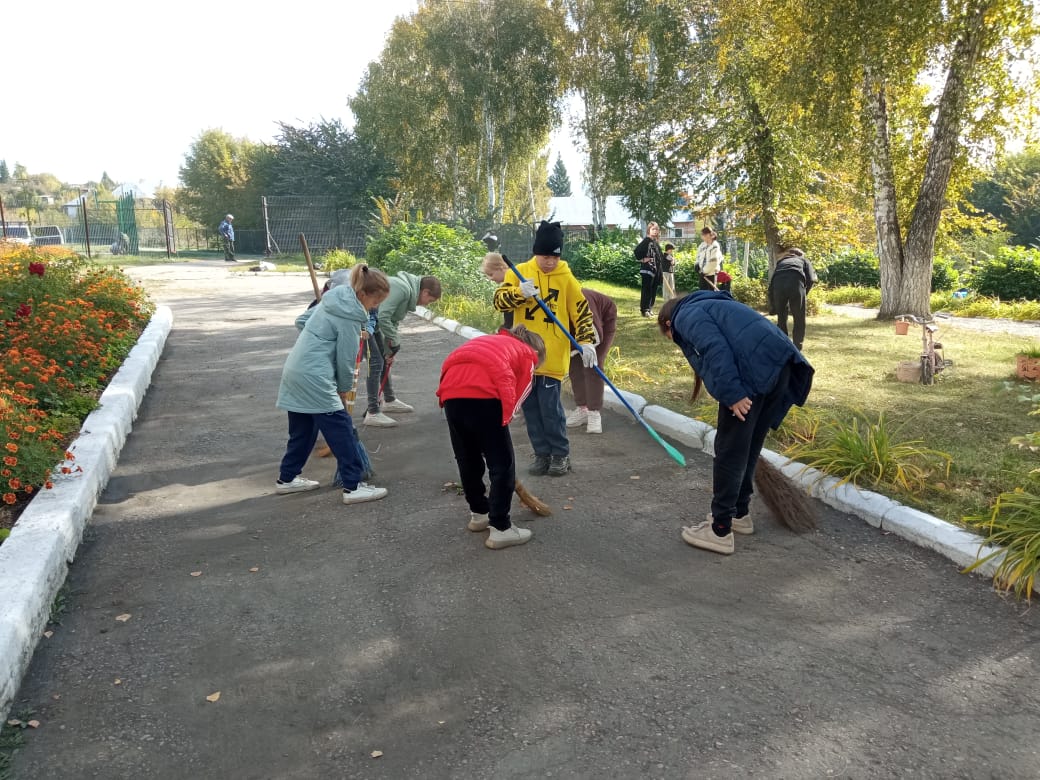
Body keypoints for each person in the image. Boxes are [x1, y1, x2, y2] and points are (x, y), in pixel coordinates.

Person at [657, 292, 814, 555]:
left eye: (670, 338)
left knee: (730, 451)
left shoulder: (685, 316)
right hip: (781, 367)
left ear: (668, 324)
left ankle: (719, 530)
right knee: (748, 447)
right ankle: (740, 514)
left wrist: (732, 394)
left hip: (750, 374)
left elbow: (713, 348)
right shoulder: (712, 304)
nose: (676, 342)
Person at [275, 264, 391, 505]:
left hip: (296, 368)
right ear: (362, 295)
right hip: (316, 377)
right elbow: (347, 357)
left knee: (303, 430)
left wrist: (318, 339)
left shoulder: (332, 299)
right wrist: (343, 387)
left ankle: (287, 479)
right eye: (375, 301)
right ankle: (353, 486)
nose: (375, 307)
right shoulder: (351, 315)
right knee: (342, 430)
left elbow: (301, 321)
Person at [494, 220, 597, 477]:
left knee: (550, 409)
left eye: (554, 256)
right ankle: (541, 454)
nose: (549, 261)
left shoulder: (566, 278)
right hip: (522, 355)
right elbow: (499, 302)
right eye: (544, 256)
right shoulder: (518, 273)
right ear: (535, 252)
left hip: (551, 356)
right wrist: (519, 292)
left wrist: (585, 341)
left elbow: (581, 311)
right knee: (530, 409)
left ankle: (560, 454)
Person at [436, 325, 547, 550]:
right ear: (536, 352)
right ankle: (501, 528)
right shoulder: (527, 354)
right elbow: (518, 395)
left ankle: (479, 514)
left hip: (451, 396)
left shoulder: (490, 341)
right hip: (485, 398)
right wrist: (505, 419)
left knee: (468, 459)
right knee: (502, 464)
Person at [364, 272, 443, 427]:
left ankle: (389, 400)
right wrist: (395, 342)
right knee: (375, 363)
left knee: (383, 361)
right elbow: (383, 316)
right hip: (365, 323)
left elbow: (392, 322)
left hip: (374, 324)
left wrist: (390, 350)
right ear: (425, 292)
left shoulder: (408, 294)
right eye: (430, 300)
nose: (427, 304)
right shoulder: (402, 289)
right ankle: (372, 412)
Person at [565, 288, 617, 434]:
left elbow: (595, 332)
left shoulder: (581, 301)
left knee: (593, 365)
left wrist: (587, 345)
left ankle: (594, 412)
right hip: (573, 329)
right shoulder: (552, 306)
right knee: (574, 367)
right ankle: (582, 409)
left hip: (601, 323)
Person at [767, 247, 817, 351]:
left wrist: (773, 305)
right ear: (800, 255)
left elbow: (771, 284)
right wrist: (804, 293)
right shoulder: (804, 260)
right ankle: (797, 347)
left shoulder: (781, 261)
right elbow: (812, 279)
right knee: (799, 318)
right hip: (796, 284)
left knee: (781, 318)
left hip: (778, 286)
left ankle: (783, 344)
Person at [634, 221, 664, 317]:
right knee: (647, 290)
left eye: (656, 229)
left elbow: (660, 257)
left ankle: (649, 308)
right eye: (653, 229)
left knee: (653, 290)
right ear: (649, 230)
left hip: (655, 270)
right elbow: (637, 251)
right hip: (647, 270)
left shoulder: (655, 242)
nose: (655, 231)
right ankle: (644, 309)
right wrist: (643, 259)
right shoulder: (646, 241)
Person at [481, 252, 514, 329]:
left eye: (491, 274)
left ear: (501, 268)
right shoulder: (506, 285)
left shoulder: (513, 284)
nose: (490, 279)